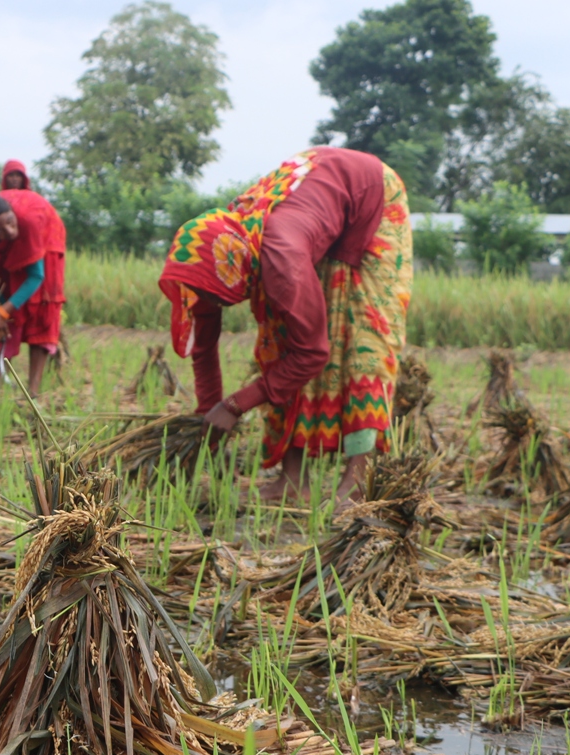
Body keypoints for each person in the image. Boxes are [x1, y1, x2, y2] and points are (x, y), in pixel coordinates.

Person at [158, 146, 413, 507]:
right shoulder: (219, 250)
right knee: (279, 345)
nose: (209, 304)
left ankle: (358, 476)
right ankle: (293, 481)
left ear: (231, 272)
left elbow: (313, 353)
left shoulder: (281, 260)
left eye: (209, 296)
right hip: (317, 200)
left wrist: (233, 406)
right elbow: (205, 346)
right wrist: (208, 420)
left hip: (373, 196)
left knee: (363, 343)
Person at [0, 186, 66, 396]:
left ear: (12, 211)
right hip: (9, 237)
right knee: (0, 311)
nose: (10, 232)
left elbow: (36, 276)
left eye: (10, 222)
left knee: (40, 308)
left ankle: (33, 392)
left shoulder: (27, 222)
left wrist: (4, 312)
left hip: (45, 235)